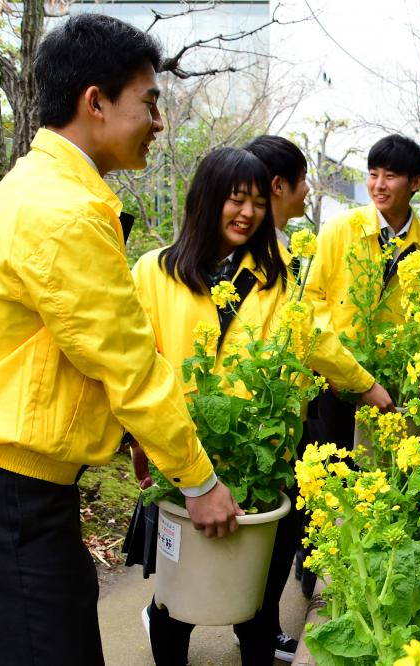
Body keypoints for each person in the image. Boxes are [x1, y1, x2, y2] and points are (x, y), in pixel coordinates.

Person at [0, 14, 239, 666]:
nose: (159, 122)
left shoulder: (35, 187)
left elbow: (64, 346)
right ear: (96, 102)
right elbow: (129, 363)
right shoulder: (65, 212)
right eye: (150, 102)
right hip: (9, 498)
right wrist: (199, 480)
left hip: (4, 488)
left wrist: (133, 434)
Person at [131, 144, 388, 664]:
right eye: (233, 199)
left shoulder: (278, 277)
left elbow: (315, 338)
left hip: (259, 461)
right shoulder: (153, 272)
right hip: (182, 458)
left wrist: (364, 384)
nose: (246, 212)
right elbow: (137, 362)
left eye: (254, 201)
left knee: (255, 608)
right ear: (204, 200)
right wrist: (138, 438)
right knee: (173, 601)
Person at [304, 134, 420, 449]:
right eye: (373, 174)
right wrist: (339, 370)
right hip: (335, 383)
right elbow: (312, 304)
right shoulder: (339, 229)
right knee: (332, 476)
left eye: (391, 176)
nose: (379, 184)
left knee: (384, 480)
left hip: (392, 386)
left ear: (416, 183)